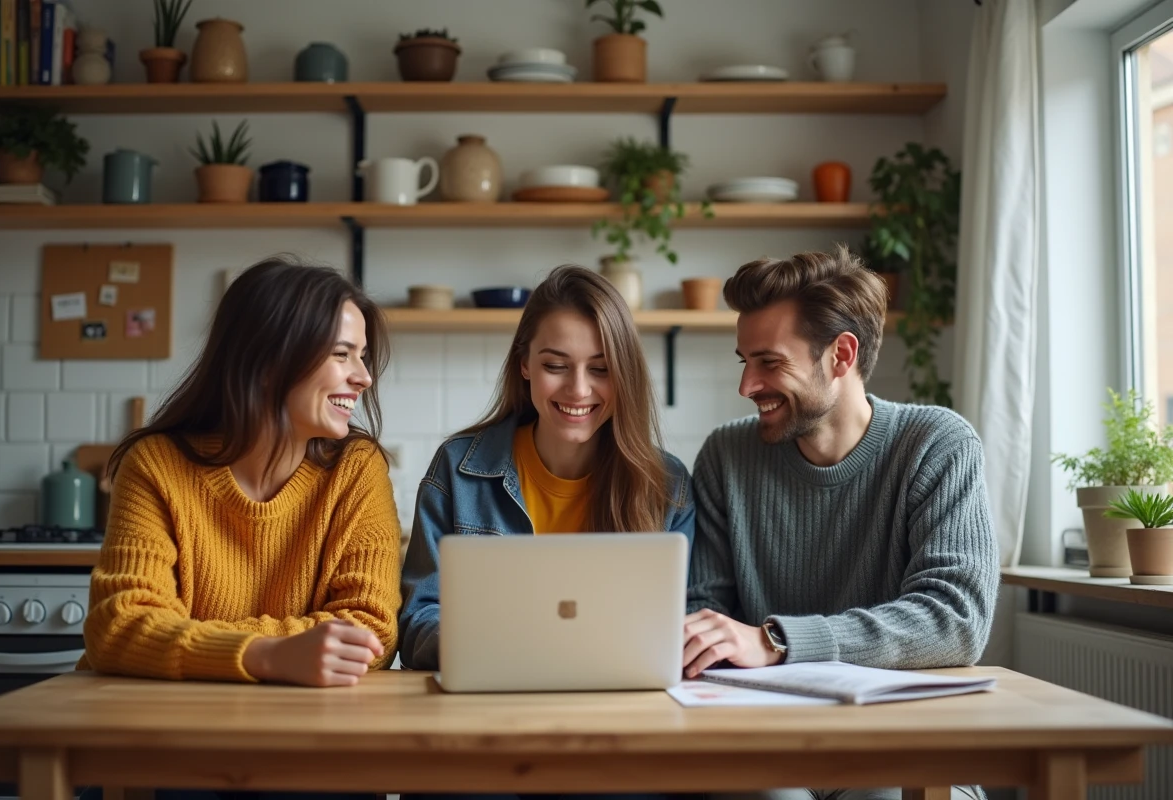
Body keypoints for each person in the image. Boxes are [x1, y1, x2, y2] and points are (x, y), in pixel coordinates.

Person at [683, 247, 996, 800]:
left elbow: (955, 618)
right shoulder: (725, 457)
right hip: (764, 750)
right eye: (744, 361)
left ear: (841, 354)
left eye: (769, 362)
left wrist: (778, 641)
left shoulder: (936, 444)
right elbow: (702, 616)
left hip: (903, 749)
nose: (747, 385)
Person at [81, 257, 402, 690]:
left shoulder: (357, 470)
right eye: (342, 354)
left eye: (362, 357)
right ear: (268, 363)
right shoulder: (155, 466)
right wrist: (267, 655)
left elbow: (371, 628)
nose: (363, 377)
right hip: (158, 719)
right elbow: (119, 624)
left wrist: (193, 640)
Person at [398, 264, 695, 676]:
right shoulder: (457, 469)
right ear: (525, 365)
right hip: (490, 703)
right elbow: (416, 621)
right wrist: (482, 645)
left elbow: (689, 623)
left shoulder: (667, 485)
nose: (578, 389)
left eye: (601, 369)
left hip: (620, 705)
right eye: (556, 366)